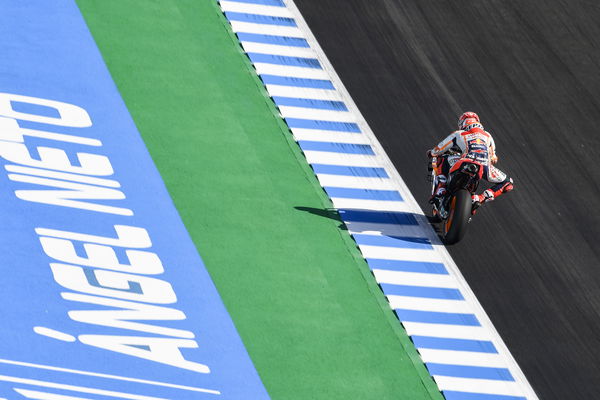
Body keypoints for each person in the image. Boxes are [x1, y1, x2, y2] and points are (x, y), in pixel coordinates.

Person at [427, 112, 513, 210]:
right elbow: (494, 158)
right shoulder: (488, 135)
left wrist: (431, 153)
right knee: (508, 183)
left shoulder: (459, 133)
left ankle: (441, 188)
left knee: (441, 157)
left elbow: (439, 149)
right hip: (484, 166)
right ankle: (480, 198)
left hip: (464, 161)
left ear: (462, 124)